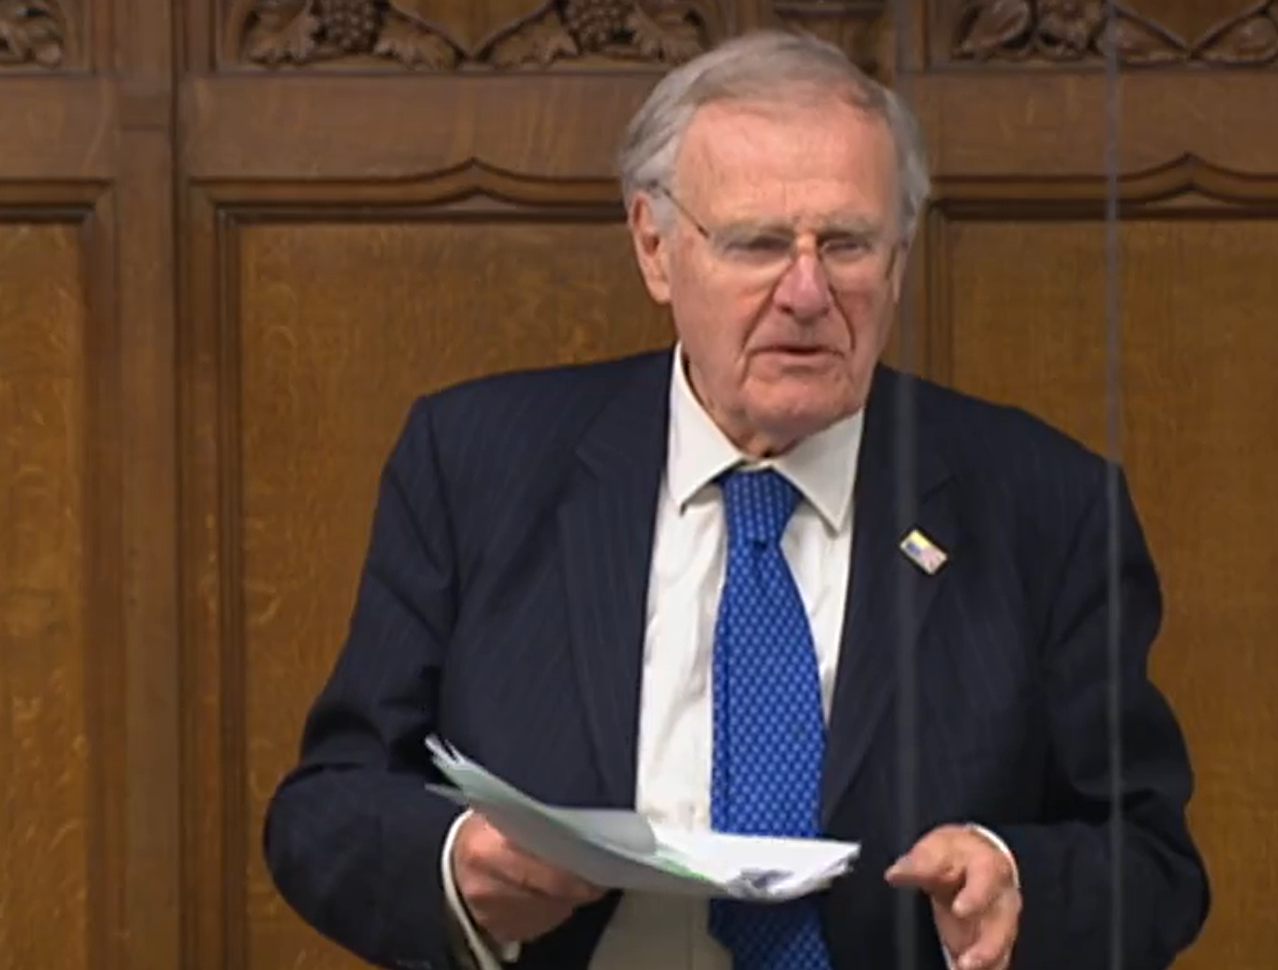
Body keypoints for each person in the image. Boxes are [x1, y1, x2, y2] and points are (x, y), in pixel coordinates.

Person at [262, 27, 1210, 970]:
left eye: (846, 244)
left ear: (900, 257)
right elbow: (327, 808)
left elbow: (1153, 864)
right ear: (656, 248)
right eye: (757, 244)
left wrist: (1016, 880)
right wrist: (455, 866)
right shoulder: (475, 464)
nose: (806, 291)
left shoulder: (1044, 505)